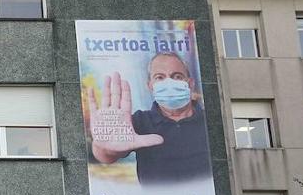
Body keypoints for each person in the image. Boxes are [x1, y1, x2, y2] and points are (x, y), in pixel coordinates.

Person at [87, 52, 212, 185]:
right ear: (150, 86)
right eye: (159, 77)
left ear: (190, 83)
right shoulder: (139, 121)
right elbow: (106, 156)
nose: (169, 82)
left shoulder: (210, 121)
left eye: (177, 76)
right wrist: (104, 144)